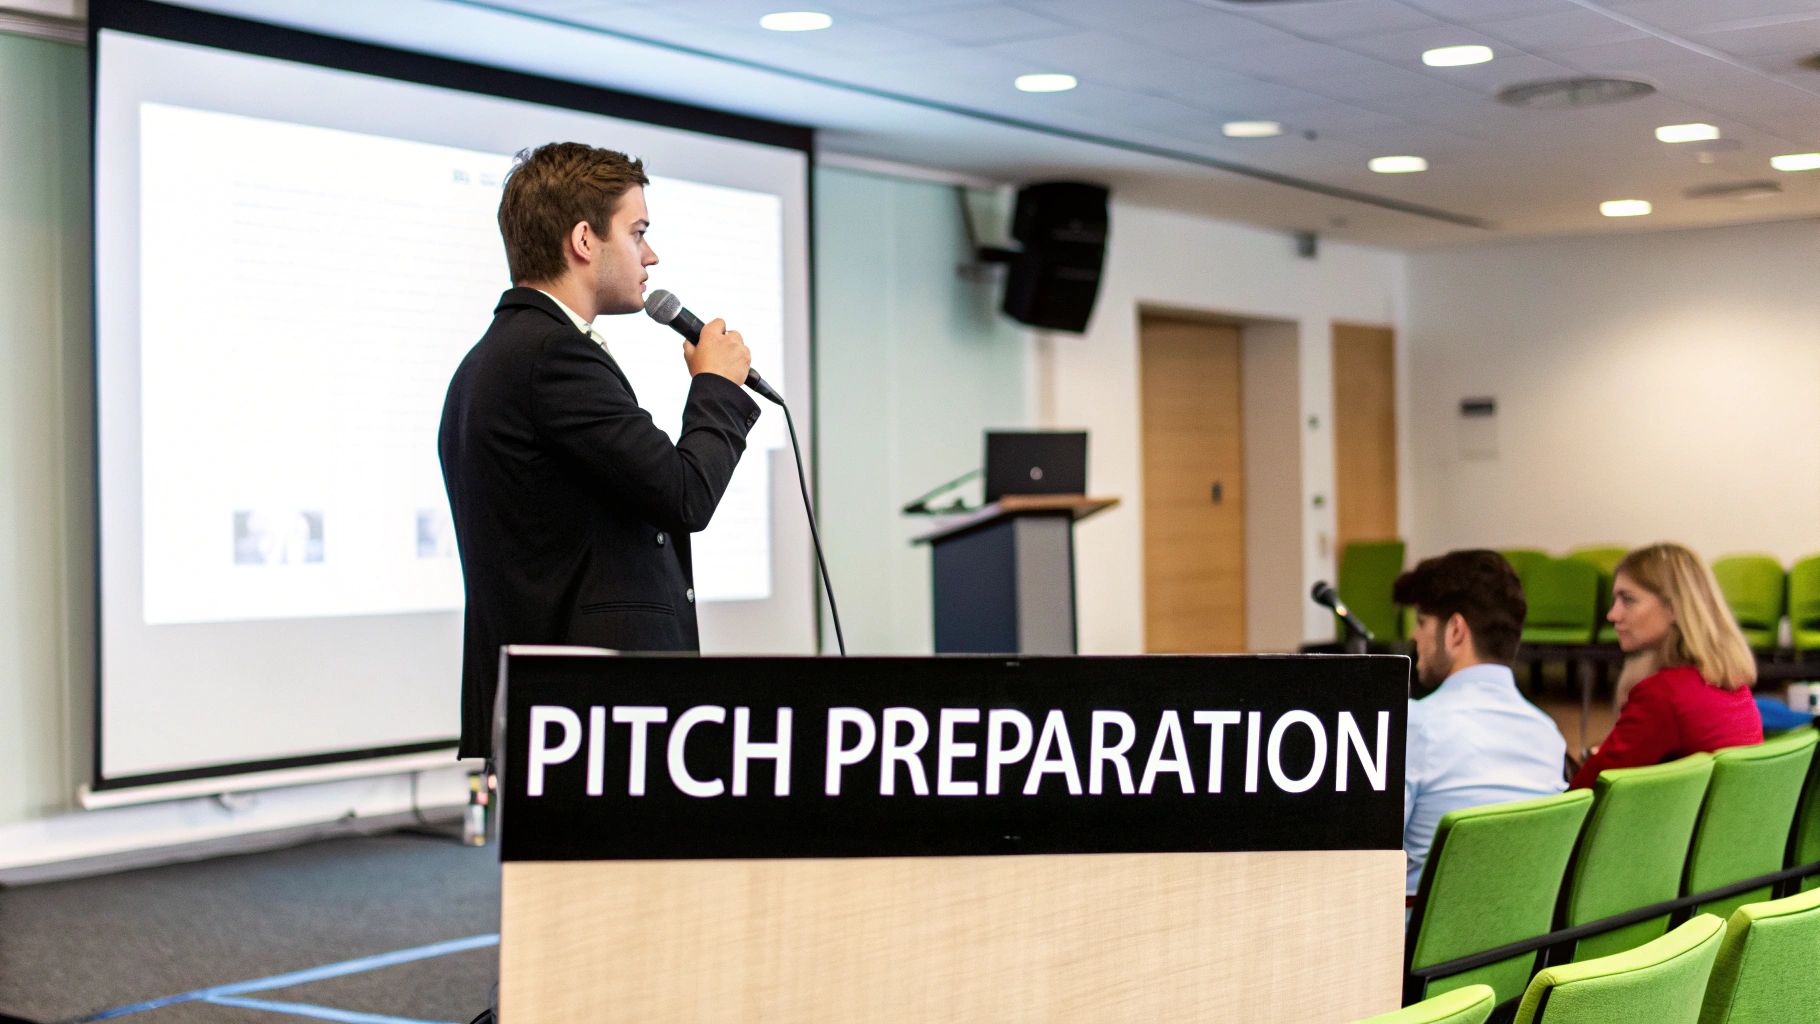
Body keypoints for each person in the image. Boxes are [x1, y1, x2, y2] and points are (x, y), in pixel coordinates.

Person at [438, 142, 760, 761]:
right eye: (637, 233)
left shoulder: (493, 357)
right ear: (585, 241)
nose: (652, 255)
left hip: (561, 705)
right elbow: (683, 494)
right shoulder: (553, 356)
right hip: (587, 711)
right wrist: (716, 388)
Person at [1395, 550, 1568, 895]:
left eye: (1422, 621)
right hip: (1519, 943)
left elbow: (1363, 854)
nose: (1415, 636)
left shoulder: (1415, 726)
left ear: (1455, 630)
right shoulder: (1548, 736)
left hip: (1412, 943)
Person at [1570, 543, 1761, 789]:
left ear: (1674, 608)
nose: (1613, 615)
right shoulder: (1731, 685)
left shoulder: (1664, 695)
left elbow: (1583, 793)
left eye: (1627, 600)